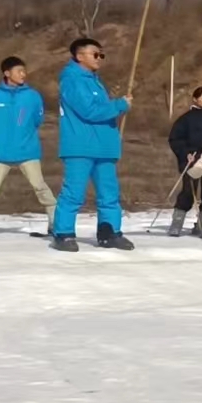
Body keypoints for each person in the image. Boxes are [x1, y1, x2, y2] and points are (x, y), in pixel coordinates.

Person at [51, 38, 133, 251]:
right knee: (74, 192)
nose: (99, 58)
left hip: (103, 147)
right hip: (80, 146)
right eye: (95, 54)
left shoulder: (94, 81)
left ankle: (110, 232)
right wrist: (119, 105)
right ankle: (63, 234)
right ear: (79, 56)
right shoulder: (72, 79)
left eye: (101, 55)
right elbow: (88, 110)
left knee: (109, 193)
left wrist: (118, 108)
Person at [0, 57, 57, 236]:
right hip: (1, 152)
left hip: (28, 151)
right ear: (7, 73)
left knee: (40, 186)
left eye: (24, 71)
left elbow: (38, 119)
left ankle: (56, 223)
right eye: (19, 70)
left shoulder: (33, 95)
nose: (23, 74)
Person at [166, 86, 202, 237]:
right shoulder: (185, 119)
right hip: (191, 159)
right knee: (188, 191)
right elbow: (175, 139)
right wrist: (184, 153)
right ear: (195, 99)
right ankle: (177, 223)